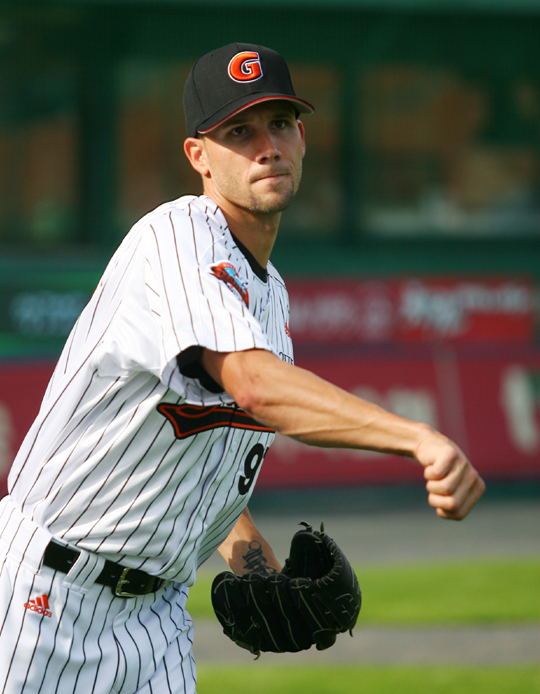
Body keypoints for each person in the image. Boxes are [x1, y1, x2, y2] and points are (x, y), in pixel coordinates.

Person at [0, 43, 485, 694]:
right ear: (198, 156)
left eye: (280, 123)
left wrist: (259, 570)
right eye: (238, 132)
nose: (266, 147)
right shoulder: (175, 238)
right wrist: (417, 437)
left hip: (156, 620)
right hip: (43, 601)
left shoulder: (269, 294)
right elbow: (255, 388)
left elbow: (207, 471)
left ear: (302, 140)